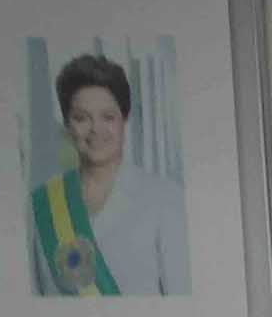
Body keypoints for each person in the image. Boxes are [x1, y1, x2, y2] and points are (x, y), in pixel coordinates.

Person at [27, 52, 191, 297]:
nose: (96, 130)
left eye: (108, 117)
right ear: (67, 124)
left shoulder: (166, 199)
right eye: (81, 118)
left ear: (124, 120)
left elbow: (184, 310)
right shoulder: (42, 204)